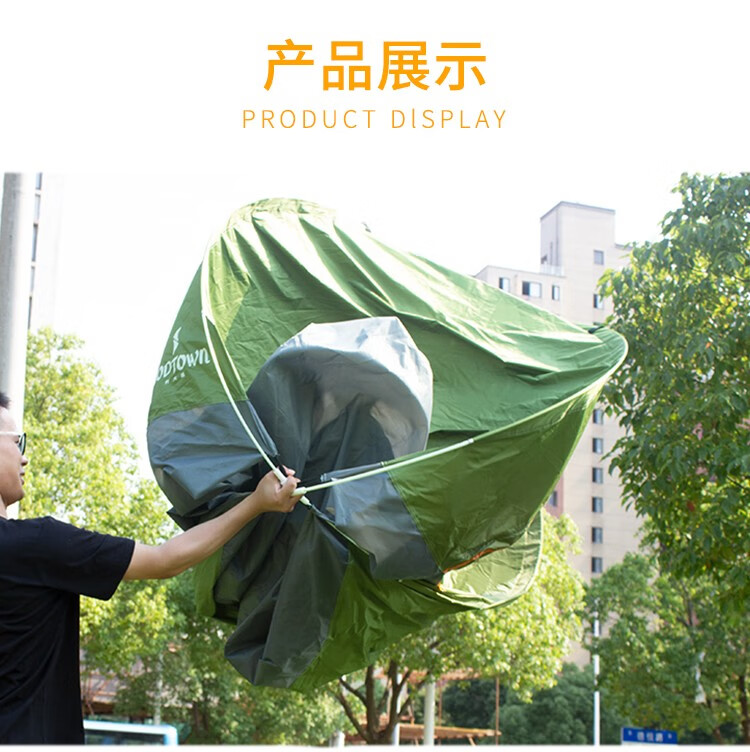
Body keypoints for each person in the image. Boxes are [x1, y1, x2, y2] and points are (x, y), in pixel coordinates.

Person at [0, 390, 300, 744]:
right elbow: (166, 559)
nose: (25, 457)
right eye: (18, 442)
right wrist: (257, 503)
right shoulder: (34, 544)